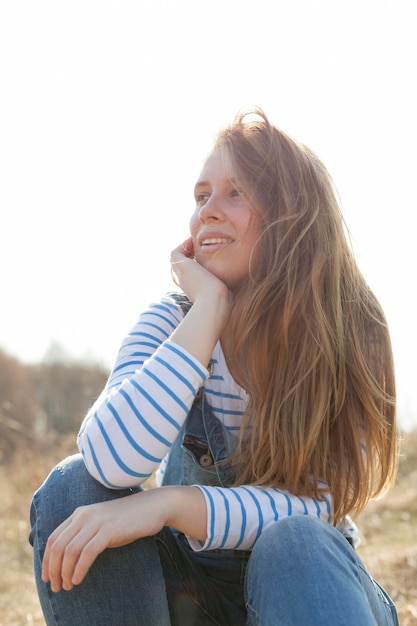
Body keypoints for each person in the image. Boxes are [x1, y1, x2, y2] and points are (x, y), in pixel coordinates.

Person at [29, 108, 399, 625]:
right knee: (74, 489)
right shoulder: (173, 320)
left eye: (236, 193)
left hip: (306, 589)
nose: (208, 212)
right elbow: (109, 461)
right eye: (202, 197)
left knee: (294, 542)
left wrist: (167, 504)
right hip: (192, 591)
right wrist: (209, 309)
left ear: (293, 212)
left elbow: (318, 510)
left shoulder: (349, 326)